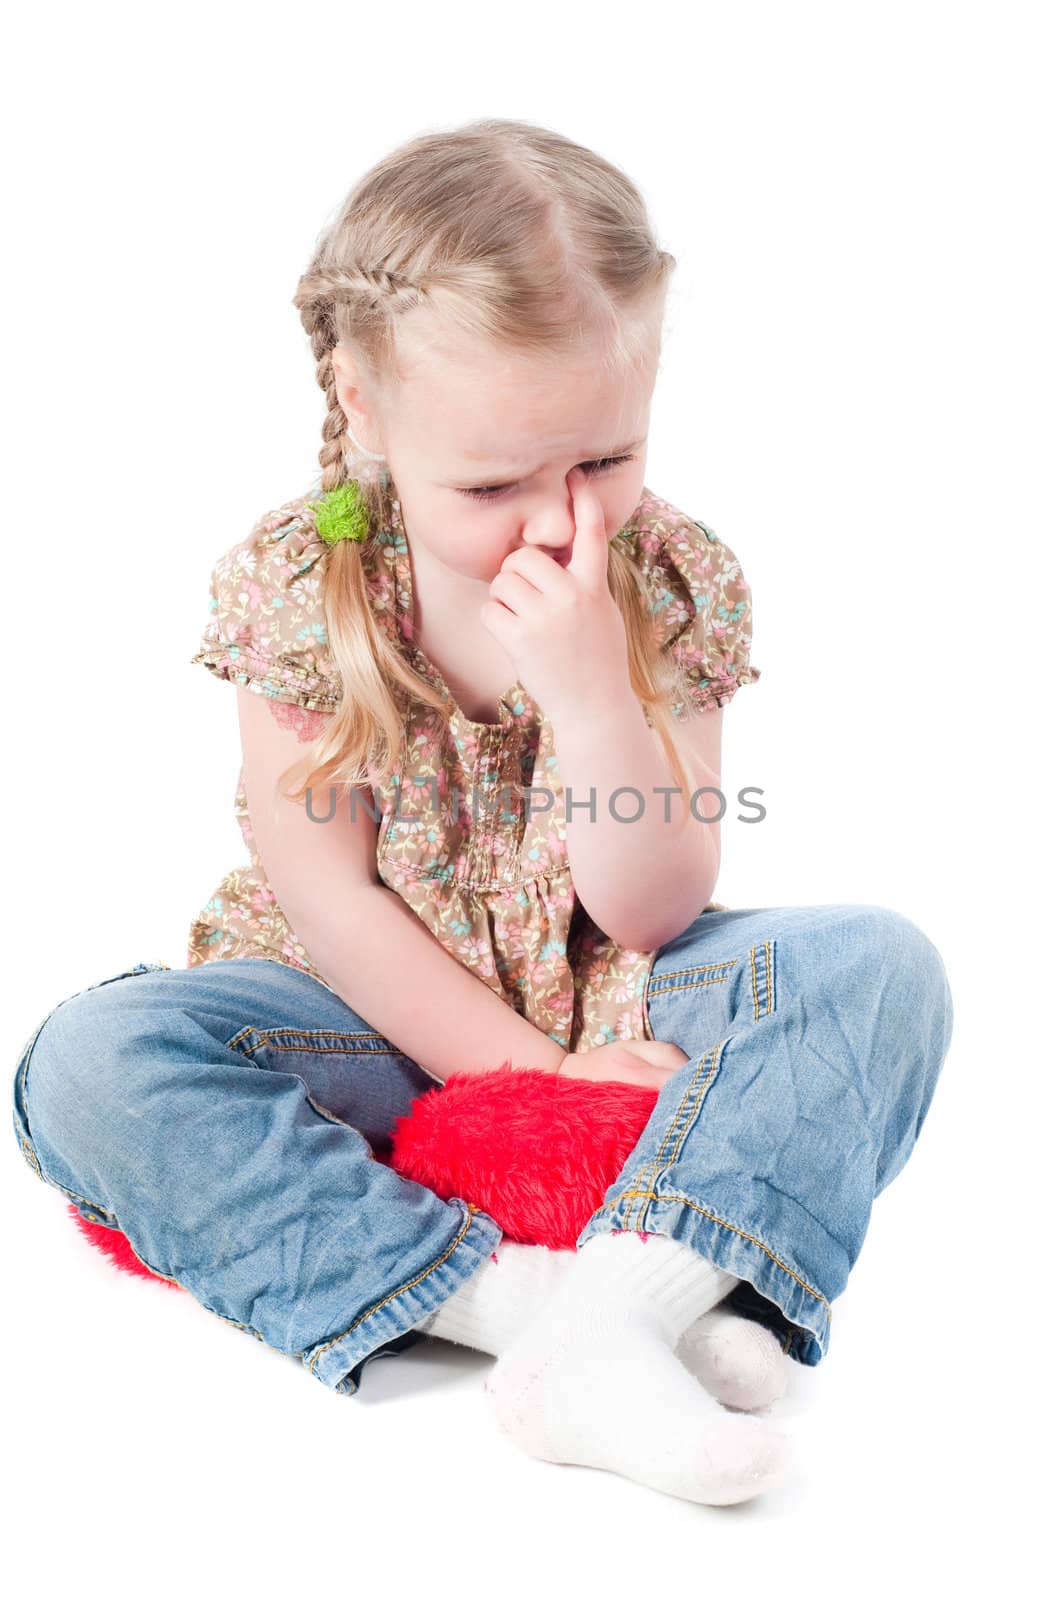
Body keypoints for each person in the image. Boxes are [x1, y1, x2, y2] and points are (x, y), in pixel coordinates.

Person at [10, 117, 953, 1508]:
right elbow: (331, 906)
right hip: (367, 1024)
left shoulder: (672, 576)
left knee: (876, 967)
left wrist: (591, 704)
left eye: (604, 461)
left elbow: (651, 908)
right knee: (89, 1063)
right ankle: (543, 1313)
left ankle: (651, 1295)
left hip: (614, 1000)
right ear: (368, 414)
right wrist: (532, 1079)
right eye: (494, 484)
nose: (562, 525)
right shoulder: (301, 584)